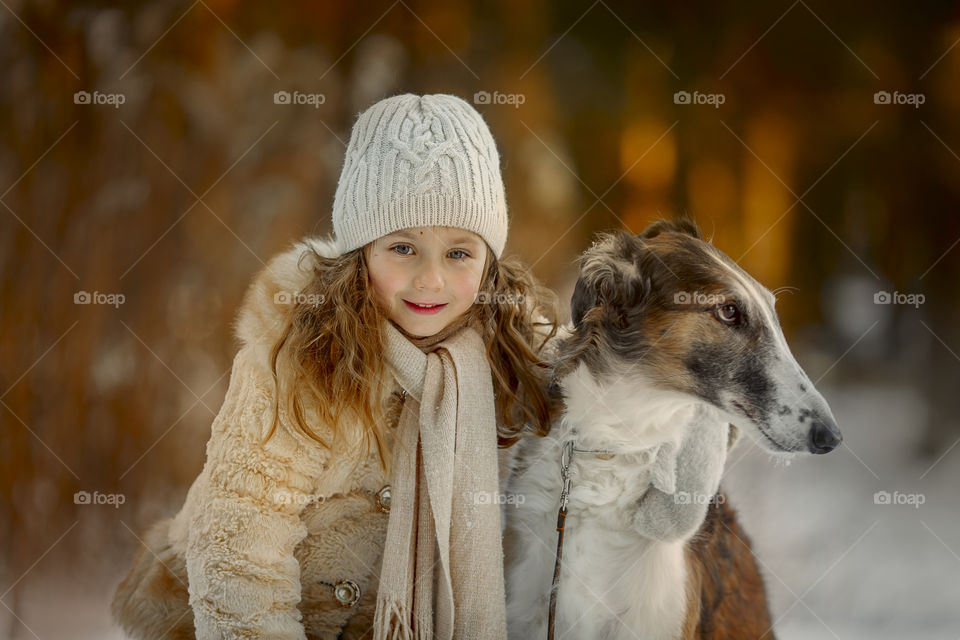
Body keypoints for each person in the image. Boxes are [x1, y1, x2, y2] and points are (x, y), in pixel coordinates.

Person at [111, 93, 559, 639]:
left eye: (459, 253)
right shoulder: (298, 353)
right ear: (360, 250)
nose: (430, 279)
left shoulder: (516, 366)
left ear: (489, 260)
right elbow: (239, 539)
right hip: (233, 617)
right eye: (402, 247)